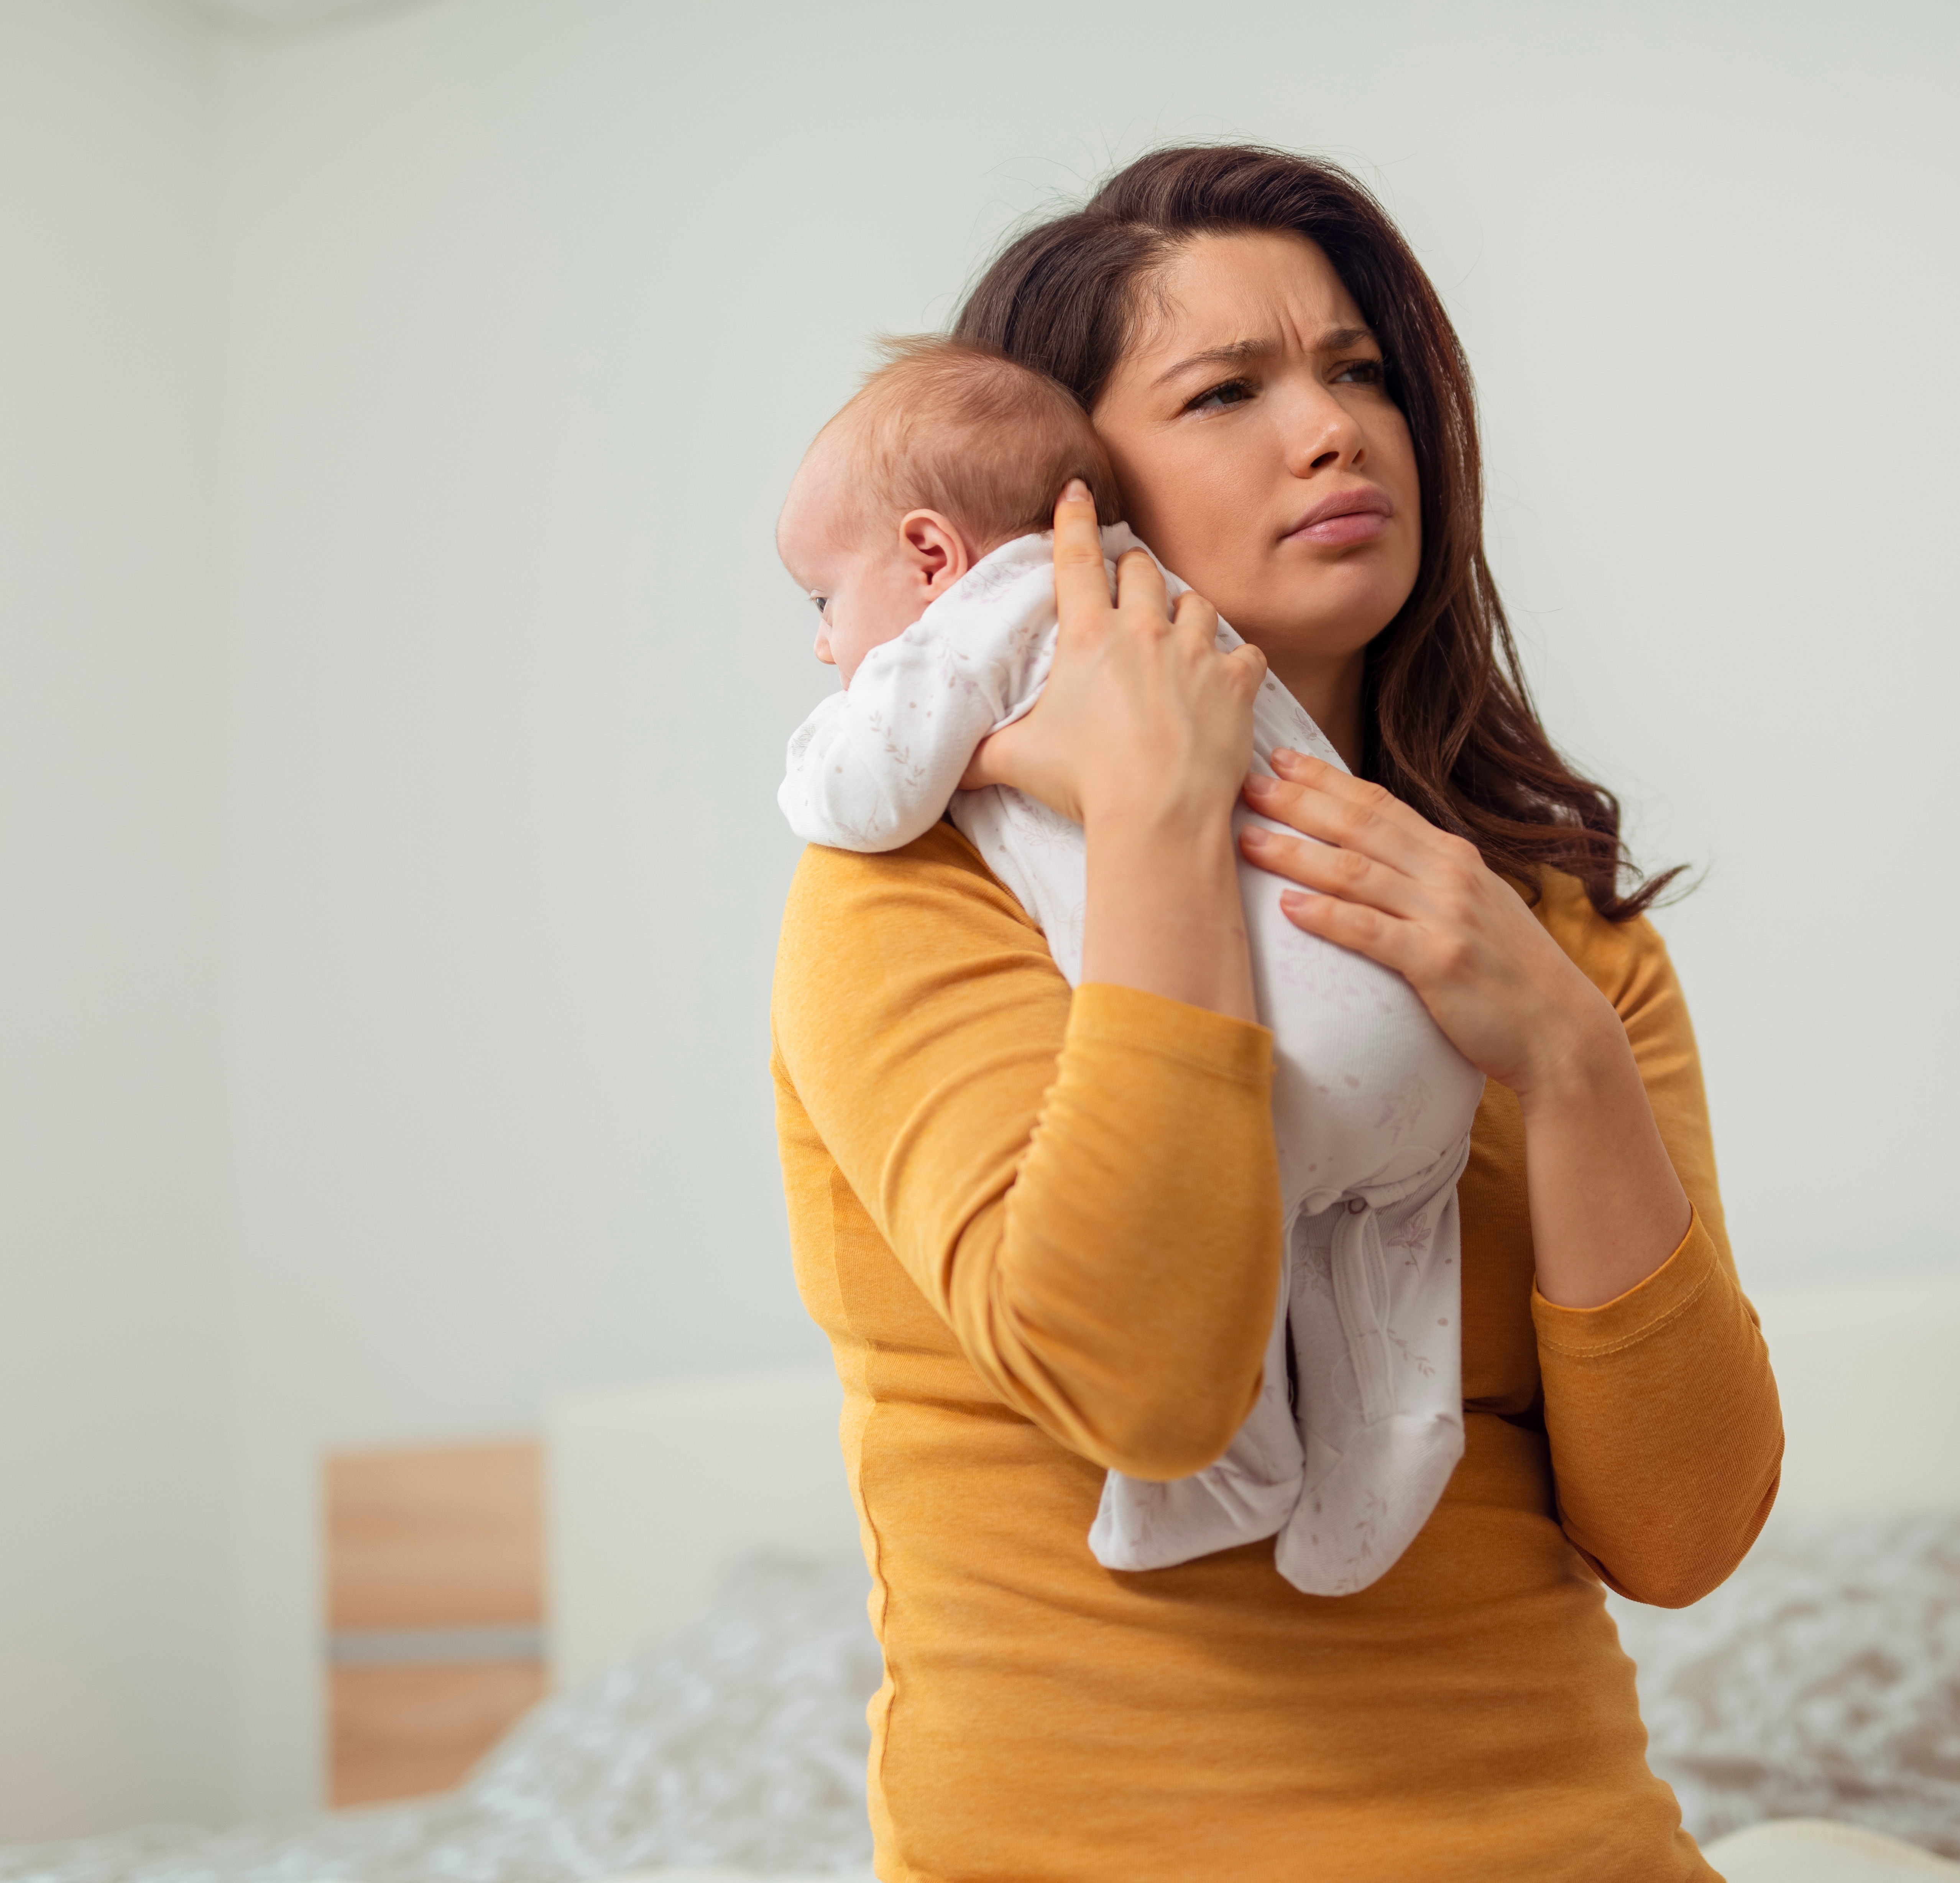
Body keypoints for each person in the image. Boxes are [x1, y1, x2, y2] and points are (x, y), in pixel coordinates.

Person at [769, 143, 1783, 1880]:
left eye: (1360, 372)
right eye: (1227, 390)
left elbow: (1681, 1532)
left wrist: (1560, 1048)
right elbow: (1144, 1390)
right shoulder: (909, 887)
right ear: (1066, 494)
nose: (1333, 429)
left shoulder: (1551, 933)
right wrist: (1160, 815)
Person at [770, 336, 1479, 1597]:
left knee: (1243, 1220)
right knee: (1387, 1250)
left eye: (827, 603)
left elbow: (862, 790)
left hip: (1283, 1053)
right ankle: (1395, 1422)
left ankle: (1232, 1473)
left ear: (932, 554)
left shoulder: (986, 617)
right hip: (1416, 1019)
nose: (830, 649)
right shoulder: (1161, 600)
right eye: (1228, 390)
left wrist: (982, 756)